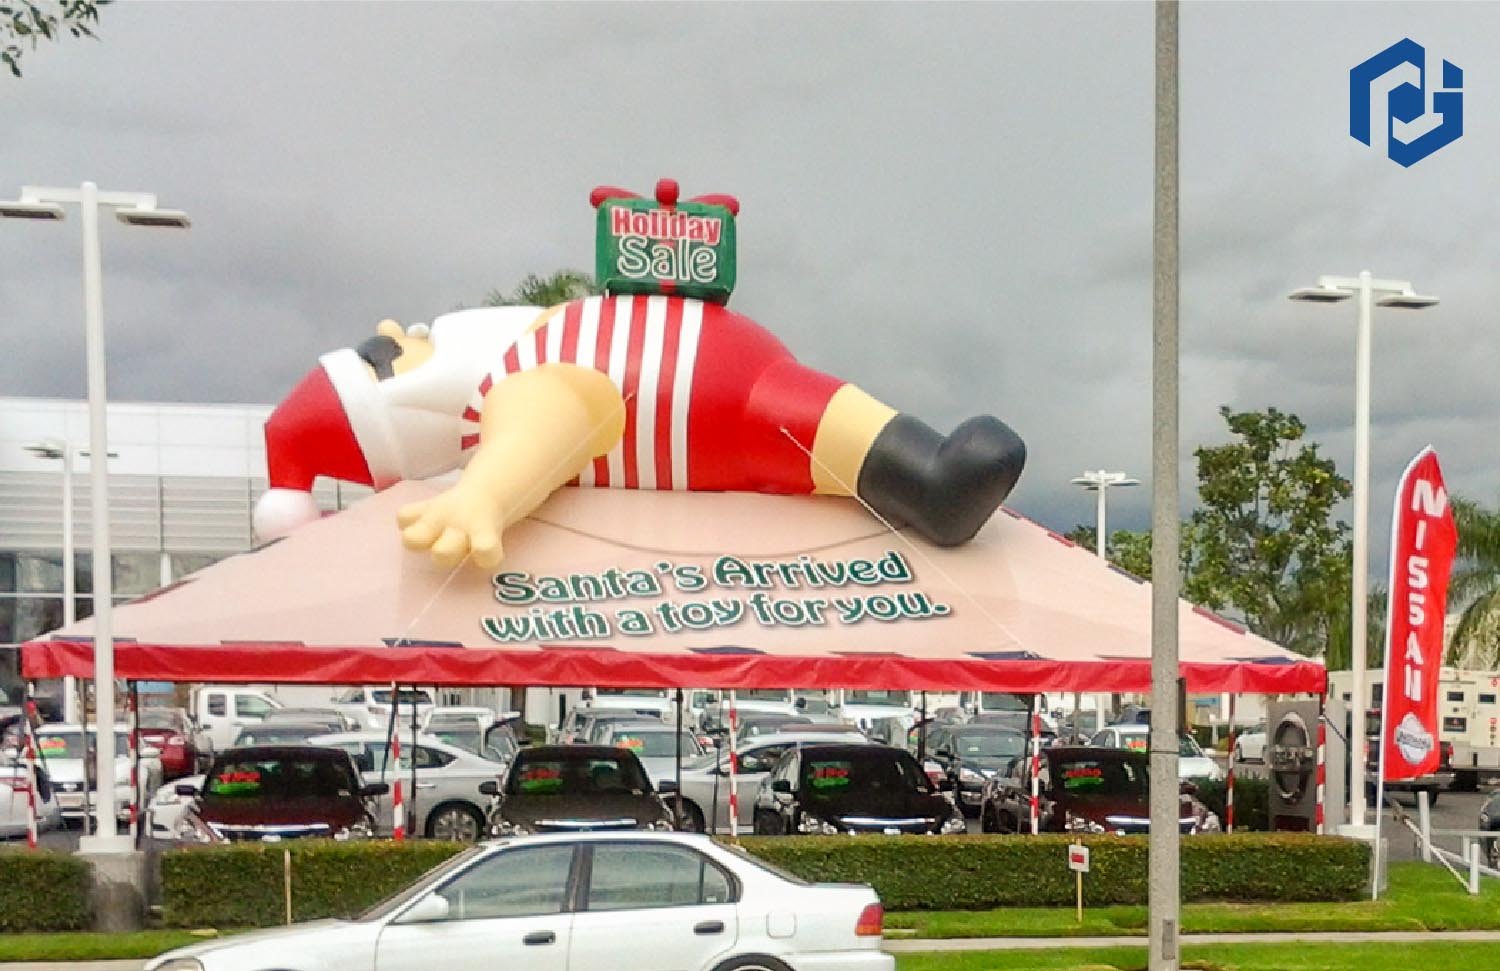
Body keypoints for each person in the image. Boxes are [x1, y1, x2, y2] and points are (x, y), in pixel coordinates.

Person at [253, 295, 1026, 569]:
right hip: (735, 407)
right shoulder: (508, 389)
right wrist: (482, 496)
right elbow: (545, 426)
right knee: (813, 417)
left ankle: (931, 482)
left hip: (742, 377)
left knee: (817, 412)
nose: (399, 329)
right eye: (383, 355)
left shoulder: (521, 347)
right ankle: (932, 486)